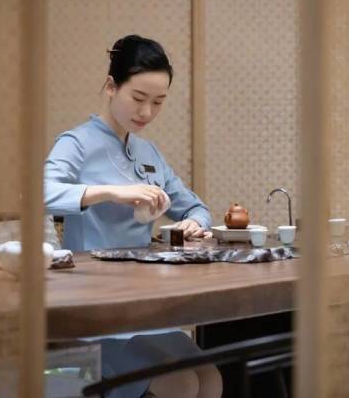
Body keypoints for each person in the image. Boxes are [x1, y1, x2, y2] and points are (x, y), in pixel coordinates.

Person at [44, 34, 222, 398]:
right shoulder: (76, 143)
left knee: (211, 380)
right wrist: (111, 192)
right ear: (112, 86)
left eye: (158, 102)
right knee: (181, 384)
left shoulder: (148, 152)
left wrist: (194, 223)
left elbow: (196, 208)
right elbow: (40, 194)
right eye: (138, 98)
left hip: (145, 304)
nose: (146, 113)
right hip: (96, 307)